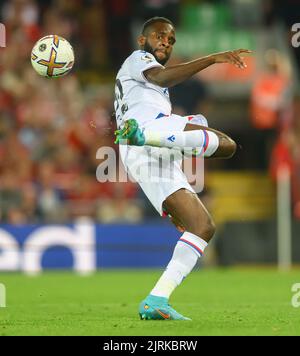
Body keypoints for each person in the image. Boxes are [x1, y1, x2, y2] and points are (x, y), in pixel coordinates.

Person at [114, 16, 251, 320]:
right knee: (223, 142)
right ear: (142, 40)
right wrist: (212, 59)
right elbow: (162, 78)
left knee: (202, 227)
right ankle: (143, 134)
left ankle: (156, 300)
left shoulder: (151, 87)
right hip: (148, 134)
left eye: (171, 40)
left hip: (148, 151)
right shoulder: (138, 59)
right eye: (160, 36)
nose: (166, 42)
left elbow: (162, 82)